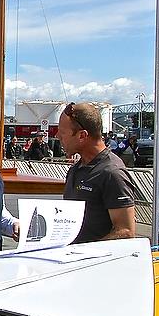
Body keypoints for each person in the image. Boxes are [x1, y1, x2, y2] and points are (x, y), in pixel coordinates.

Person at [57, 102, 136, 243]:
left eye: (62, 133)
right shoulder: (76, 169)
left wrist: (85, 252)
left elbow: (125, 231)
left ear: (82, 135)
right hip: (69, 260)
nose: (58, 137)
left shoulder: (112, 173)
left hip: (93, 262)